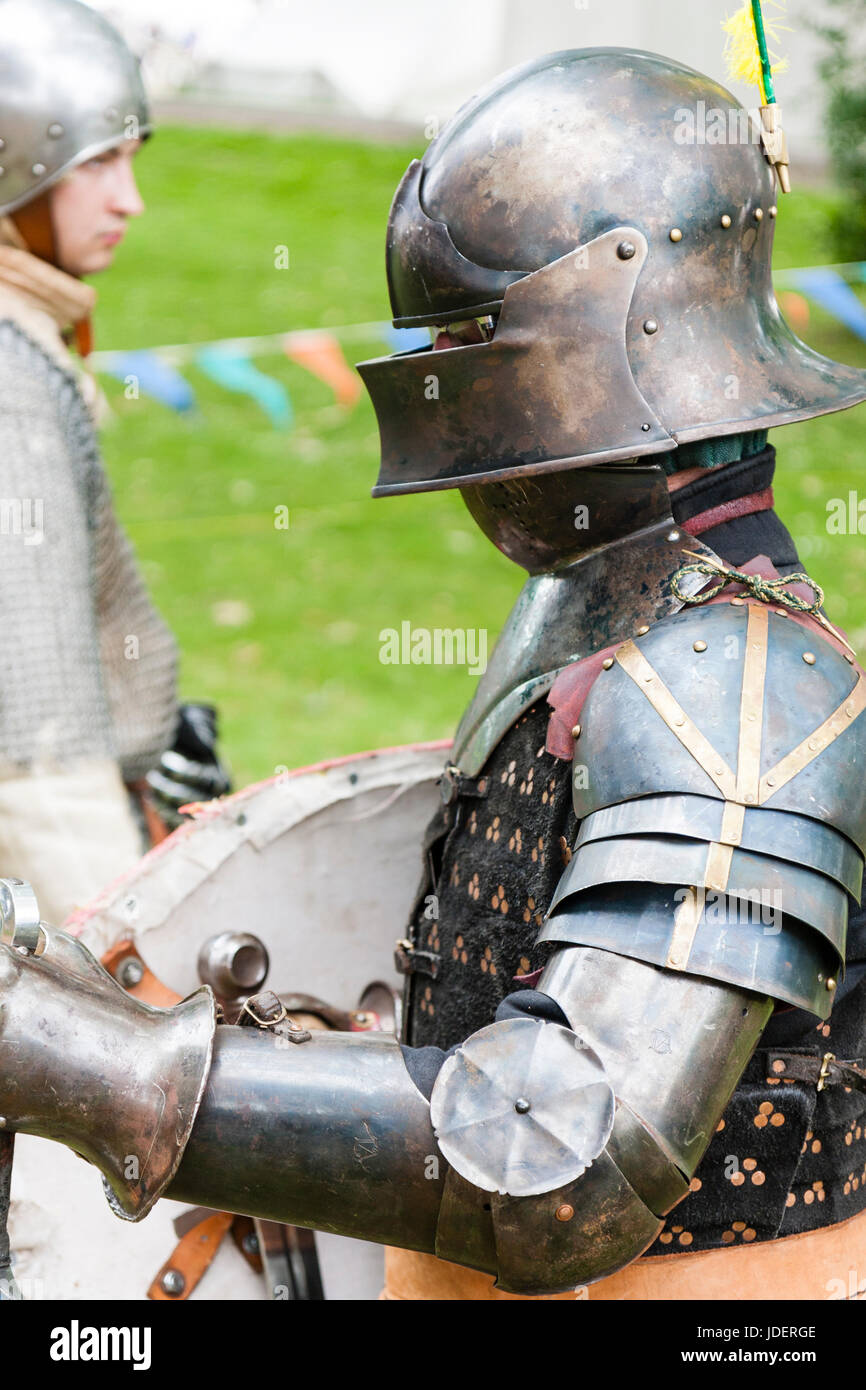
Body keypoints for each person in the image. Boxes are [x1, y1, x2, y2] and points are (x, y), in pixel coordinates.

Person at [2, 46, 866, 1303]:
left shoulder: (737, 694)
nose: (447, 374)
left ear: (623, 319)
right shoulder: (605, 609)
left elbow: (565, 1158)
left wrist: (93, 1062)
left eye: (476, 331)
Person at [0, 0, 228, 925]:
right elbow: (35, 751)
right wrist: (132, 978)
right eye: (97, 162)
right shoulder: (10, 384)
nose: (129, 200)